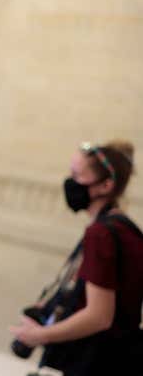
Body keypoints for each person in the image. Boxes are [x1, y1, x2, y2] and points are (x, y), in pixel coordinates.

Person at [10, 141, 143, 376]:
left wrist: (39, 336)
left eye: (76, 175)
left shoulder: (101, 233)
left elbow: (99, 316)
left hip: (94, 363)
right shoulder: (126, 228)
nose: (70, 183)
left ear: (105, 185)